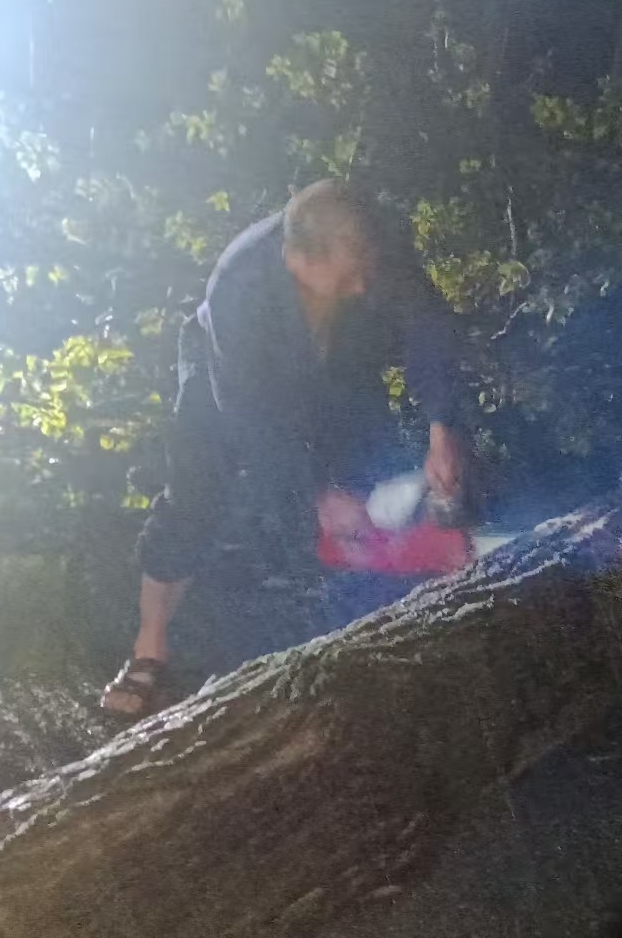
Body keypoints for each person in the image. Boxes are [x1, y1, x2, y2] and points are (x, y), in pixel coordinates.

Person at [100, 179, 470, 717]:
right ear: (297, 259)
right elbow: (254, 420)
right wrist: (318, 494)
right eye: (347, 278)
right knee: (197, 493)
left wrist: (441, 425)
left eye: (366, 272)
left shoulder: (372, 244)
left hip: (337, 360)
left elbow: (427, 326)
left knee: (372, 466)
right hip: (226, 373)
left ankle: (385, 616)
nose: (362, 288)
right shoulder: (239, 286)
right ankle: (149, 649)